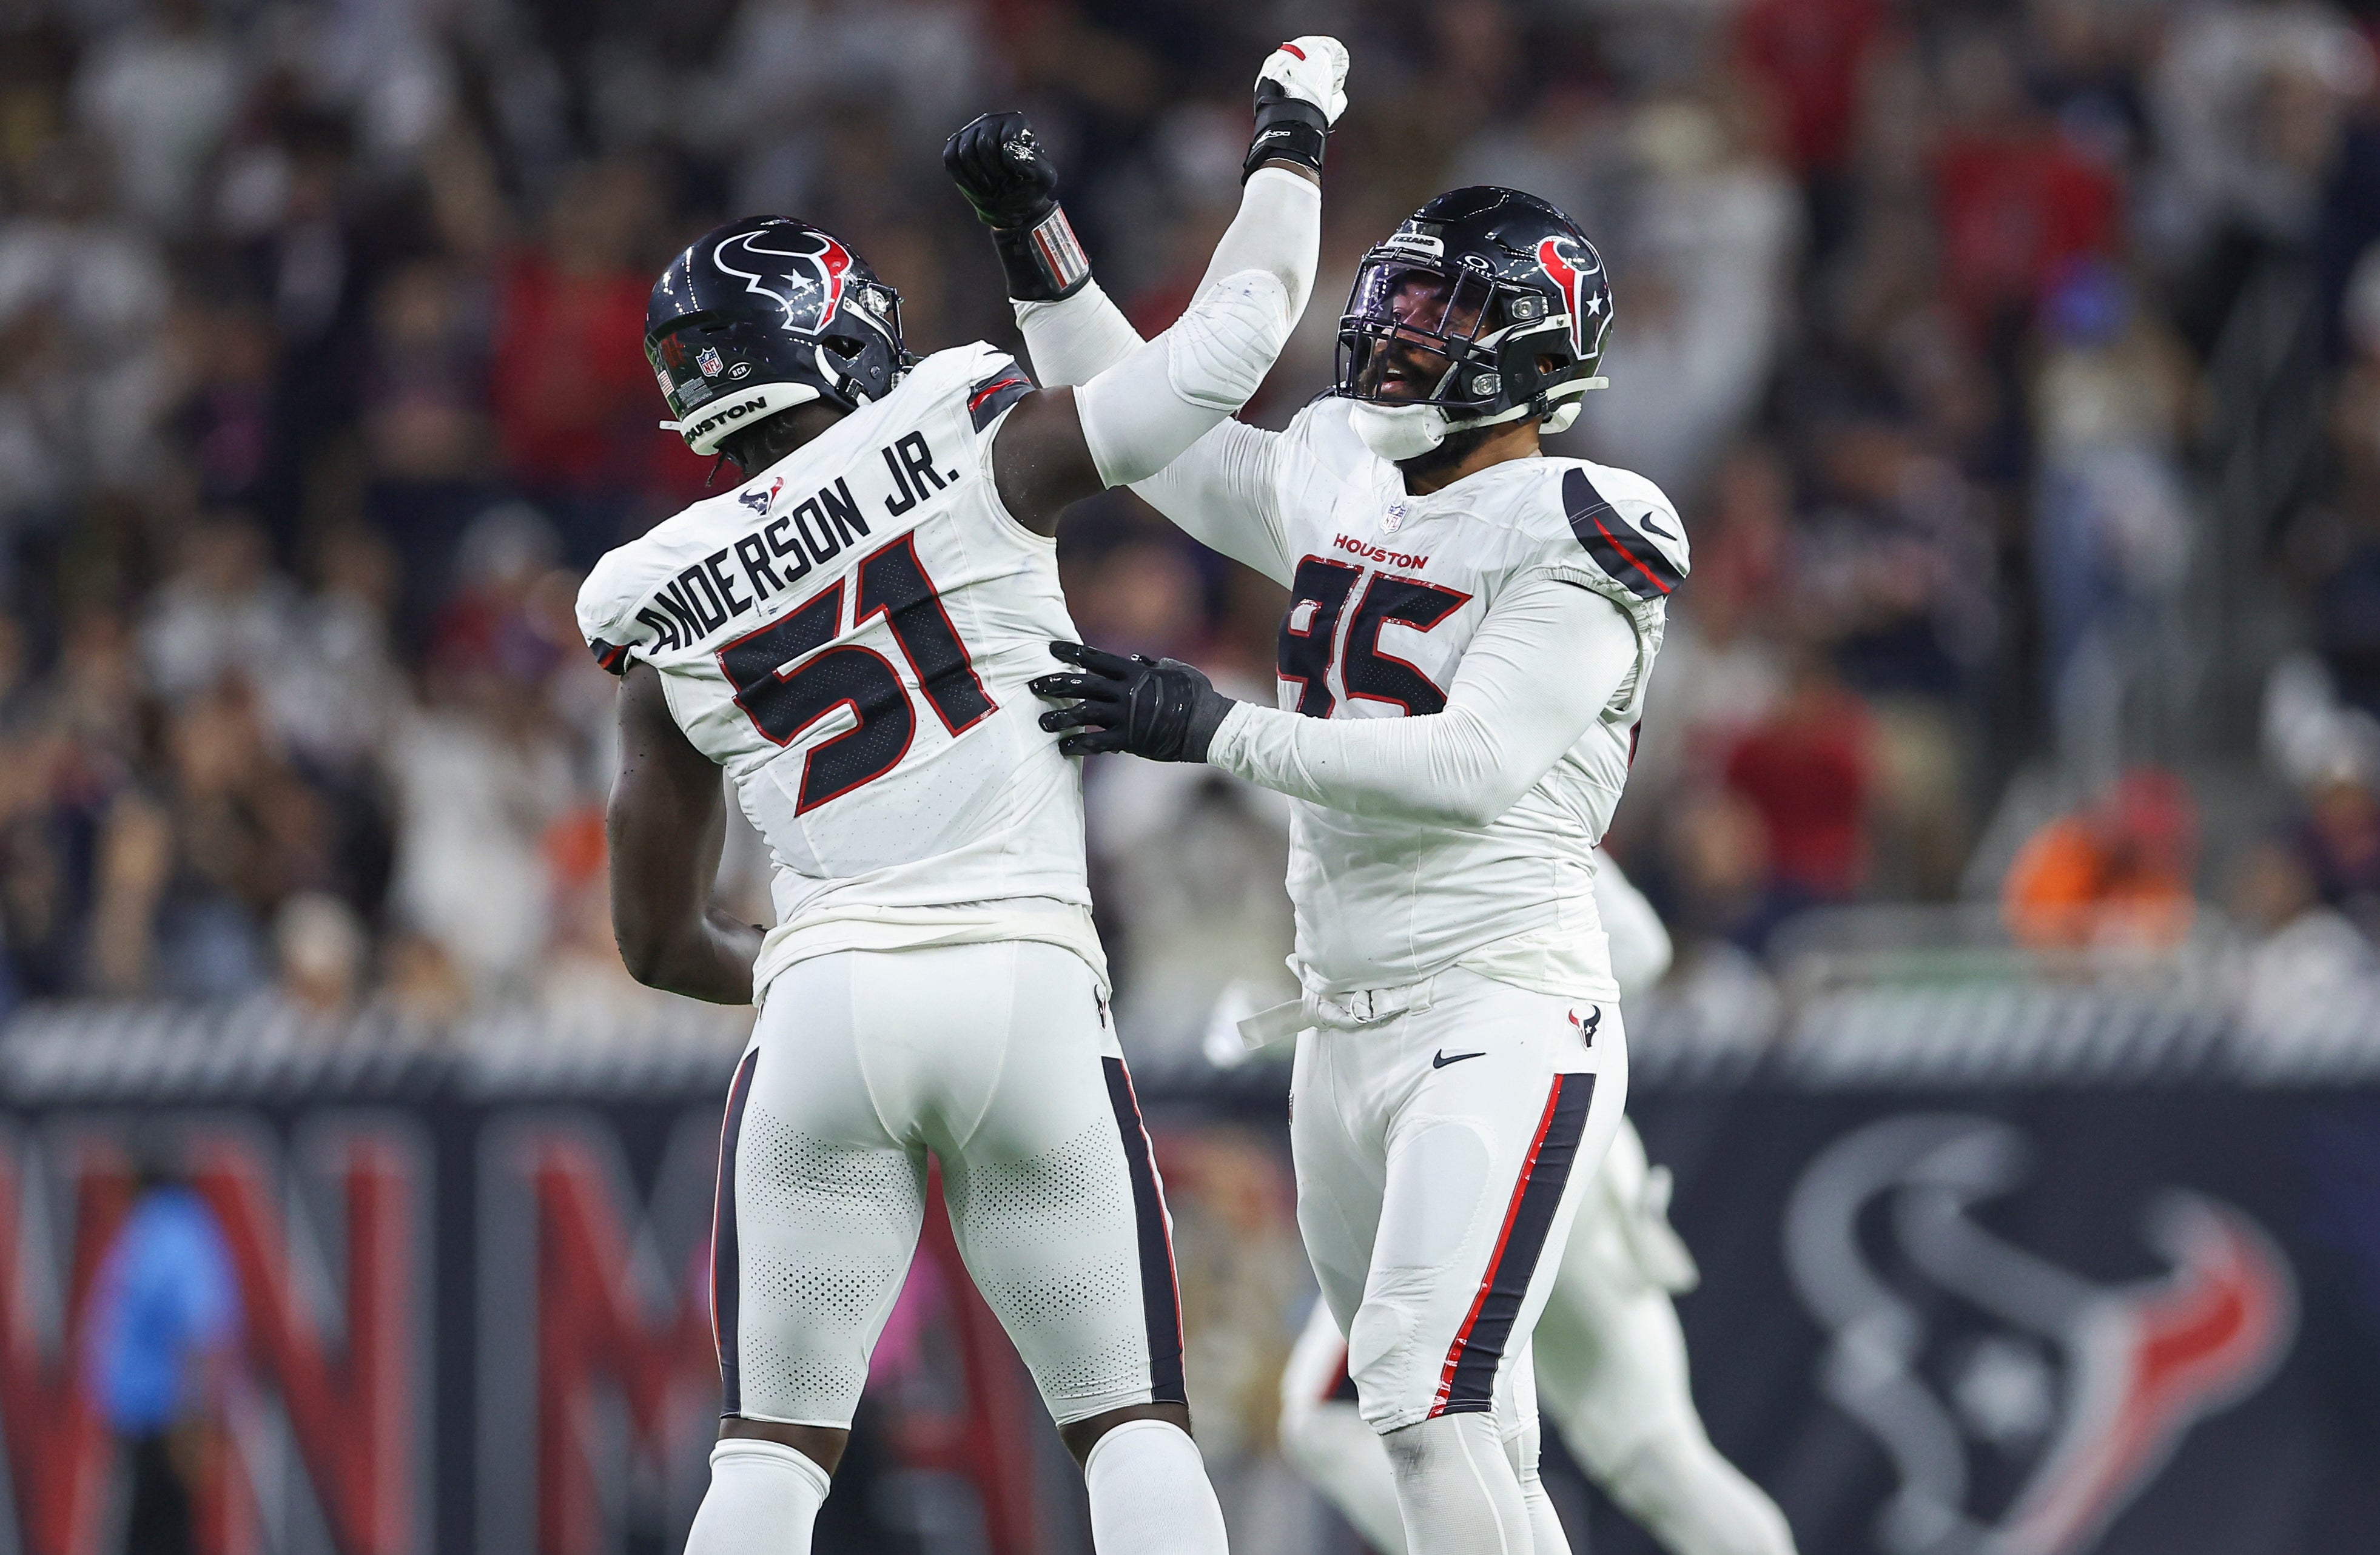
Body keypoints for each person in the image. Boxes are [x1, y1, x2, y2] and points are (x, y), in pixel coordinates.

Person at [576, 38, 1350, 1555]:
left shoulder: (651, 598)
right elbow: (1228, 341)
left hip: (817, 997)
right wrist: (1292, 131)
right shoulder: (955, 427)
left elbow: (654, 941)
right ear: (832, 340)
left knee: (767, 1461)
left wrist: (816, 973)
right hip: (1024, 977)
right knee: (1129, 1424)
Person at [956, 130, 1685, 1555]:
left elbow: (1469, 766)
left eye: (1450, 315)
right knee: (1463, 1427)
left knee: (1423, 1396)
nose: (1406, 338)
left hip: (1500, 1000)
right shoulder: (1345, 471)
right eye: (1401, 304)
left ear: (1538, 345)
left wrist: (1212, 729)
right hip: (1336, 1021)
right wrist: (1036, 239)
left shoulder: (1581, 519)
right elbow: (1144, 428)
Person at [1276, 860, 1798, 1555]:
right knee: (1654, 1455)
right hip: (1563, 1135)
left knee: (1374, 1416)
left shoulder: (1466, 773)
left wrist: (1485, 995)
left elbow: (1637, 946)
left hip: (1492, 1127)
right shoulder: (1465, 773)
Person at [82, 1160, 241, 1555]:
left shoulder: (174, 1227)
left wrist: (192, 1422)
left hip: (166, 1427)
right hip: (144, 1426)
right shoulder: (153, 1224)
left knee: (163, 1538)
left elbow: (200, 1333)